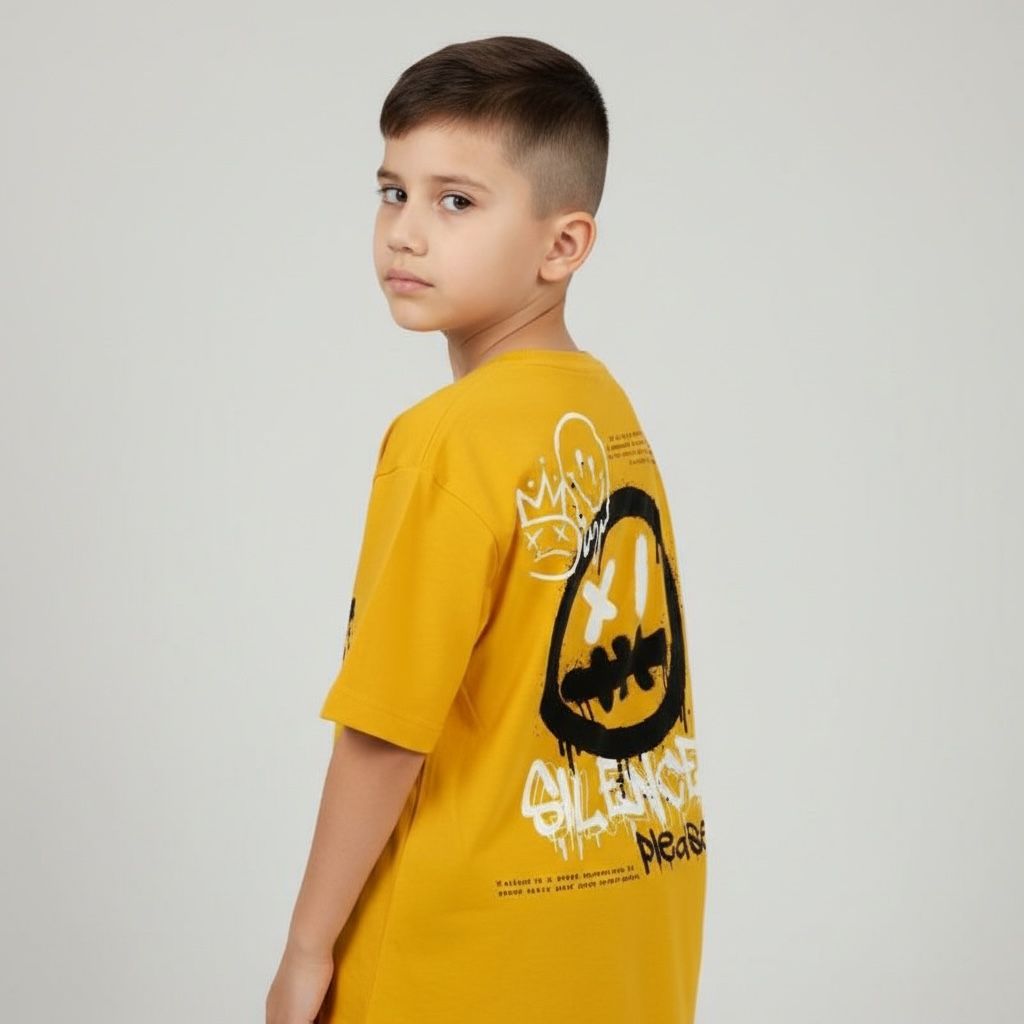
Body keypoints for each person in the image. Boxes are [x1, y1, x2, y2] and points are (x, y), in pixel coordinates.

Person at [267, 34, 707, 1024]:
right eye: (393, 192)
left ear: (563, 245)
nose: (406, 233)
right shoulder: (604, 412)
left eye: (456, 201)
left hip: (456, 958)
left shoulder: (447, 439)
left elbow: (385, 730)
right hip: (627, 941)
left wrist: (306, 948)